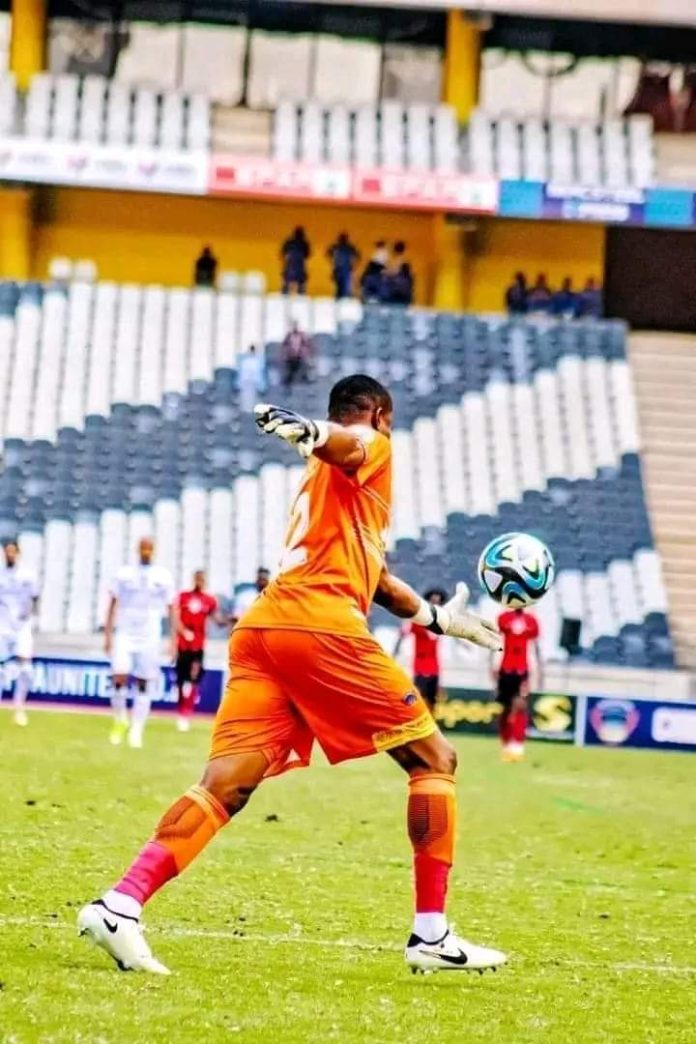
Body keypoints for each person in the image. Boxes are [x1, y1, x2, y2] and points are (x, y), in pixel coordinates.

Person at [77, 374, 505, 977]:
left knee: (226, 784)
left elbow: (379, 581)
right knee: (434, 759)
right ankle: (431, 934)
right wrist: (314, 433)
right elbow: (351, 443)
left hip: (263, 629)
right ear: (381, 414)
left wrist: (440, 619)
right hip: (319, 626)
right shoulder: (369, 447)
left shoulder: (326, 489)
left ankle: (120, 905)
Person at [104, 537, 178, 750]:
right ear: (138, 550)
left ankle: (137, 729)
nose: (146, 552)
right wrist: (108, 634)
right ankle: (120, 720)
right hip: (125, 632)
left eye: (149, 548)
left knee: (144, 681)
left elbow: (171, 608)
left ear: (154, 550)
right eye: (143, 548)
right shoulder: (124, 574)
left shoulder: (163, 576)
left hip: (150, 634)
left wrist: (173, 640)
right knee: (119, 675)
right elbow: (112, 603)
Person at [174, 571, 225, 733]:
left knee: (194, 678)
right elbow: (175, 618)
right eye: (197, 579)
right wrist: (182, 632)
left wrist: (230, 620)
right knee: (181, 681)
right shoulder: (183, 597)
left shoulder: (209, 600)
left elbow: (217, 619)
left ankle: (186, 713)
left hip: (198, 646)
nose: (199, 582)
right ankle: (181, 710)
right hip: (183, 645)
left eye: (202, 580)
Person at [492, 607, 543, 762]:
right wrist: (493, 666)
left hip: (523, 670)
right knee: (506, 709)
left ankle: (518, 746)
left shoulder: (531, 620)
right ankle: (506, 744)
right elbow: (495, 642)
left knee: (520, 705)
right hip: (505, 670)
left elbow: (535, 647)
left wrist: (539, 671)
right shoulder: (503, 618)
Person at [0, 540, 39, 727]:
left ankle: (19, 707)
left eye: (13, 552)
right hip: (2, 626)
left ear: (18, 553)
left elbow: (35, 597)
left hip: (22, 626)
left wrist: (31, 617)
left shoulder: (28, 575)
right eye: (7, 552)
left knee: (26, 669)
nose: (10, 555)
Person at [393, 588, 447, 714]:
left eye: (438, 602)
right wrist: (395, 653)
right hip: (420, 666)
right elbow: (403, 633)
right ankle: (414, 718)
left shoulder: (441, 623)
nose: (435, 605)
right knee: (418, 697)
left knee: (433, 700)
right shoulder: (418, 621)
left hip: (434, 667)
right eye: (433, 602)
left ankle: (430, 722)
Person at [327, 232, 360, 300]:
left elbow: (328, 254)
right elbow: (358, 256)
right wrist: (354, 266)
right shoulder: (350, 247)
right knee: (345, 288)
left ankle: (338, 300)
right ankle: (343, 300)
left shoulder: (335, 247)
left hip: (338, 269)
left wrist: (332, 264)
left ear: (339, 239)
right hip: (346, 270)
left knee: (339, 288)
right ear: (347, 239)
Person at [281, 322, 313, 388]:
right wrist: (286, 353)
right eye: (293, 326)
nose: (295, 328)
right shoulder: (289, 335)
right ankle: (288, 381)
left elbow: (307, 344)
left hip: (299, 356)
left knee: (303, 367)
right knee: (290, 370)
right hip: (291, 357)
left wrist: (304, 352)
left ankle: (305, 378)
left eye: (296, 326)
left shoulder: (301, 335)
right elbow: (284, 345)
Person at [281, 226, 311, 295]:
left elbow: (283, 253)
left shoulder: (288, 242)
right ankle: (301, 295)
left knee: (286, 282)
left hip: (289, 265)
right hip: (299, 265)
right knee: (301, 283)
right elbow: (307, 255)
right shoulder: (304, 243)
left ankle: (284, 294)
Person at [238, 344, 265, 413]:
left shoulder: (256, 361)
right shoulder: (246, 361)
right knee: (246, 399)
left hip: (253, 383)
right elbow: (243, 373)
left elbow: (257, 373)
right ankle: (246, 411)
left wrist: (258, 383)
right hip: (247, 383)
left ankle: (250, 410)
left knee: (253, 399)